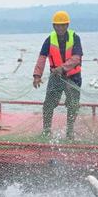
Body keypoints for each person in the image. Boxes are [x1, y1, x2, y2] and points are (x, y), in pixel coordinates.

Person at [32, 11, 82, 140]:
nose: (60, 28)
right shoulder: (49, 40)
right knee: (48, 104)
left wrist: (62, 68)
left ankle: (70, 132)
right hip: (56, 77)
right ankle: (46, 130)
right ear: (53, 26)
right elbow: (42, 58)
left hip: (73, 77)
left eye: (63, 25)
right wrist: (37, 75)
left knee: (73, 104)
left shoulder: (75, 38)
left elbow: (76, 58)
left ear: (67, 25)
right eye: (57, 25)